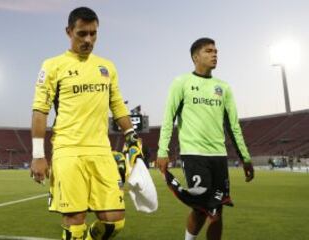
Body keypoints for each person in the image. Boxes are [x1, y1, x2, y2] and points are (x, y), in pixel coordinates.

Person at [30, 7, 141, 240]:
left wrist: (131, 134)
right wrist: (38, 154)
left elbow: (118, 105)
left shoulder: (107, 67)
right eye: (82, 33)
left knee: (115, 221)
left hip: (101, 151)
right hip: (68, 150)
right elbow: (40, 111)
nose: (88, 39)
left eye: (93, 33)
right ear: (69, 31)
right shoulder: (52, 65)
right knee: (75, 221)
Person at [157, 38, 254, 240]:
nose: (215, 54)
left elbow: (233, 125)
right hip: (194, 156)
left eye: (216, 51)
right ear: (195, 57)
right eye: (209, 51)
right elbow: (168, 119)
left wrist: (245, 157)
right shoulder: (181, 82)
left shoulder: (223, 88)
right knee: (202, 208)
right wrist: (162, 151)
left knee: (217, 211)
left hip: (218, 156)